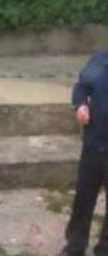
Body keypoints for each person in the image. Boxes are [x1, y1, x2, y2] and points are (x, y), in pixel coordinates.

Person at [58, 49, 108, 256]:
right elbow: (81, 88)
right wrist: (80, 106)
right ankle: (75, 245)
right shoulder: (100, 60)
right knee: (84, 197)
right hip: (94, 144)